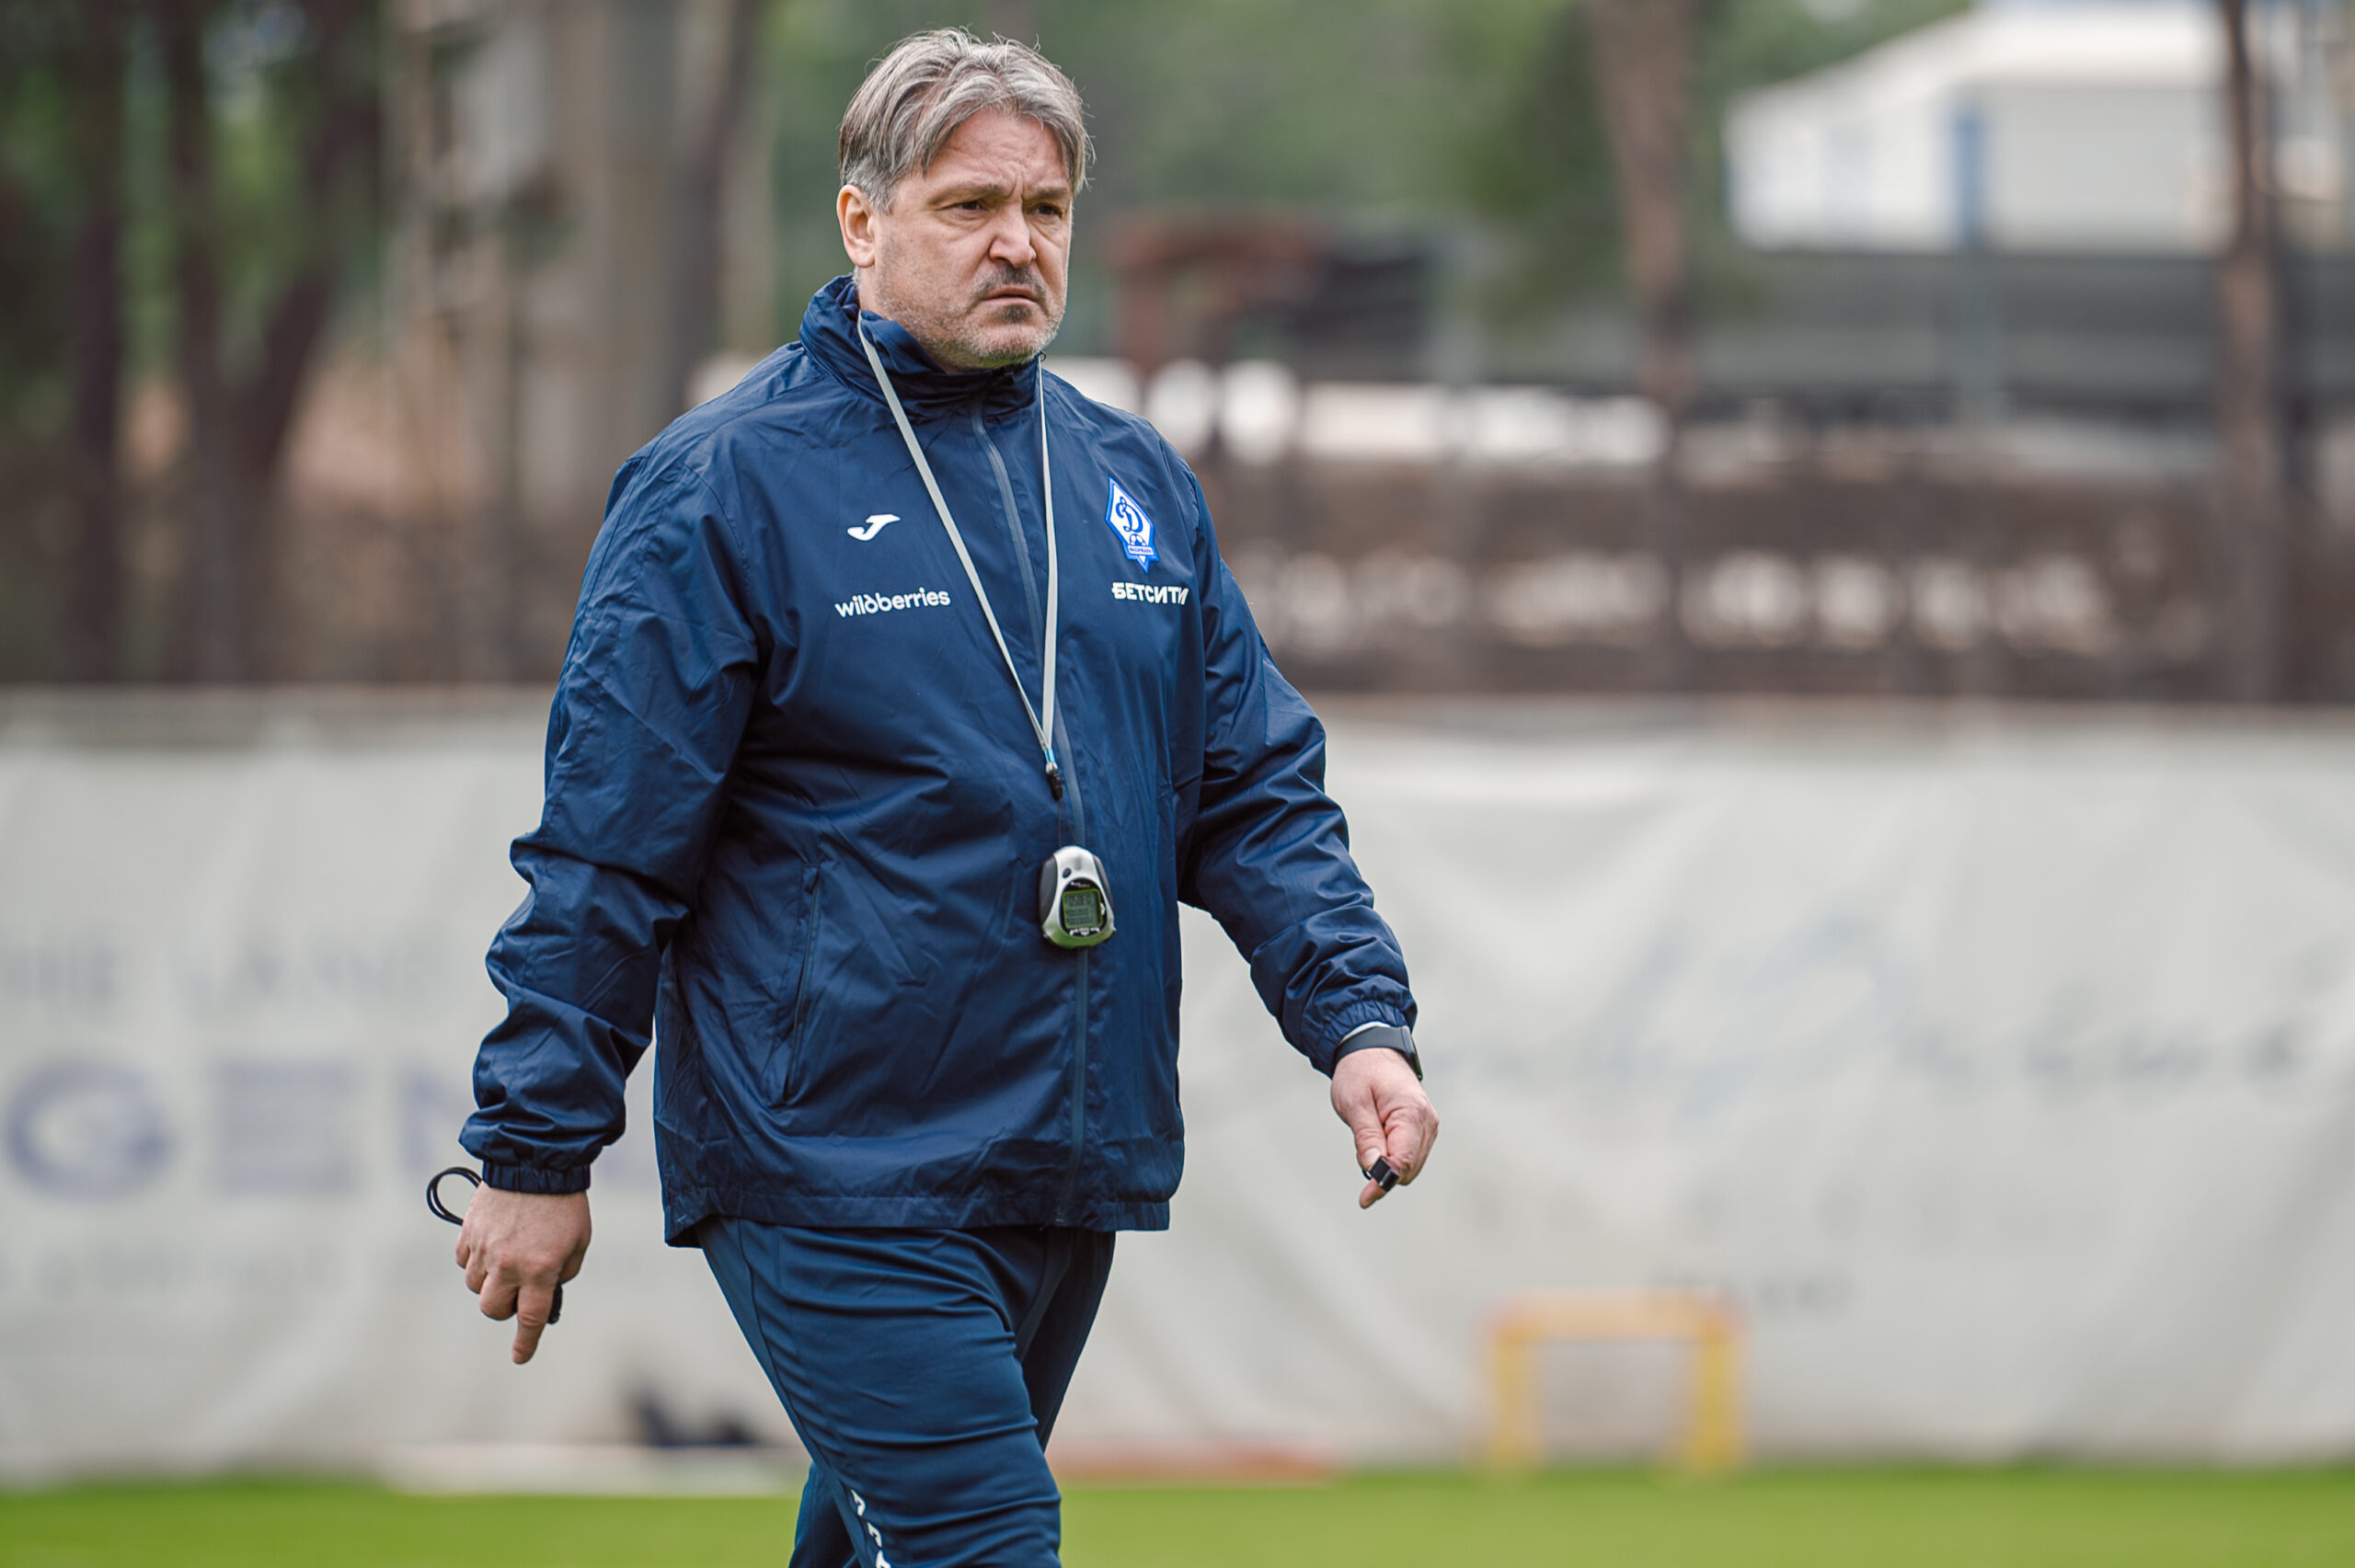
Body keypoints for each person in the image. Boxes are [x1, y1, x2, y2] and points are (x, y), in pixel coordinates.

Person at [452, 27, 1438, 1568]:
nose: (1016, 243)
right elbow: (606, 852)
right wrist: (534, 1147)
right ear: (862, 221)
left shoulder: (1132, 481)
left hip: (1064, 1156)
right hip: (832, 1169)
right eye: (970, 205)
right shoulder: (722, 486)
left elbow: (1253, 791)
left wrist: (1358, 1019)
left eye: (1045, 209)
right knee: (985, 1545)